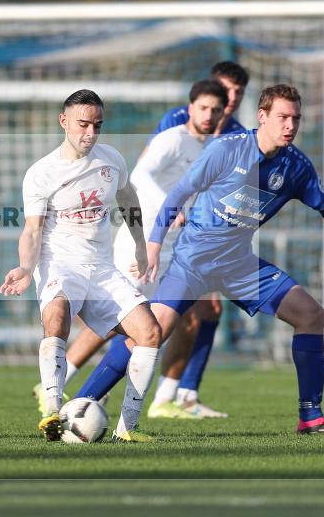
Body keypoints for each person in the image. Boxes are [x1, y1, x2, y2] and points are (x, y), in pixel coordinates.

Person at [81, 84, 324, 436]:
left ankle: (311, 417)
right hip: (195, 261)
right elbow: (179, 194)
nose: (290, 125)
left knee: (311, 315)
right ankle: (82, 403)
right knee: (152, 333)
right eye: (282, 117)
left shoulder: (296, 167)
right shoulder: (226, 150)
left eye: (296, 118)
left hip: (239, 266)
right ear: (262, 117)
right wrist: (155, 244)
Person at [52, 62, 250, 418]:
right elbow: (142, 175)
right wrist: (161, 225)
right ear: (194, 104)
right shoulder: (176, 130)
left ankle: (172, 396)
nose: (224, 103)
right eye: (218, 95)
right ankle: (63, 384)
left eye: (234, 95)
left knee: (185, 317)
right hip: (150, 237)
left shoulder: (229, 136)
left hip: (183, 242)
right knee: (129, 320)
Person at [0, 89, 162, 443]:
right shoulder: (41, 173)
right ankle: (53, 412)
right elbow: (32, 230)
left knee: (150, 332)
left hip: (101, 267)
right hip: (61, 264)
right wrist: (26, 268)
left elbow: (128, 200)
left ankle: (128, 430)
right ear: (64, 122)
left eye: (97, 125)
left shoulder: (111, 160)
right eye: (82, 124)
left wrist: (139, 246)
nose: (89, 133)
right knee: (56, 318)